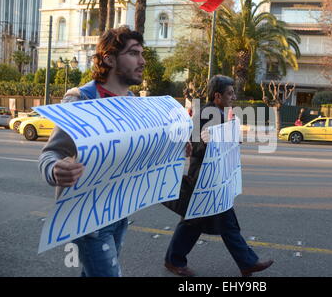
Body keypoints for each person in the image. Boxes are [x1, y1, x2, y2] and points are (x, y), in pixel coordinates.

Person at [38, 26, 147, 277]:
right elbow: (50, 154)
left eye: (142, 54)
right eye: (133, 53)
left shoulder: (134, 103)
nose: (142, 61)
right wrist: (55, 170)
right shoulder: (81, 100)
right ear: (109, 58)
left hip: (119, 211)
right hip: (87, 218)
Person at [164, 75, 274, 277]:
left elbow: (221, 144)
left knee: (196, 222)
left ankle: (174, 260)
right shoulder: (207, 113)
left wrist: (231, 141)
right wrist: (206, 142)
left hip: (214, 178)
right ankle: (247, 262)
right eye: (230, 93)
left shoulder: (219, 113)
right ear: (217, 96)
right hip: (204, 180)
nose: (234, 96)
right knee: (218, 221)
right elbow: (194, 147)